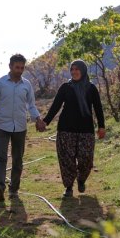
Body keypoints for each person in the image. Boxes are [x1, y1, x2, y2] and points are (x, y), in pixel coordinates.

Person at [42, 59, 105, 197]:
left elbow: (98, 108)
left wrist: (101, 126)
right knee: (67, 160)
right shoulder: (65, 87)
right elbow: (56, 106)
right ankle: (69, 187)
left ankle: (81, 180)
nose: (74, 72)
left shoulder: (91, 88)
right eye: (72, 69)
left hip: (86, 130)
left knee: (86, 159)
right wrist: (45, 122)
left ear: (83, 71)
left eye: (77, 69)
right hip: (66, 129)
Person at [0, 53, 46, 202]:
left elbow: (31, 105)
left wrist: (38, 119)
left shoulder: (26, 85)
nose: (19, 70)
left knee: (17, 159)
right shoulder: (0, 83)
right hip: (1, 126)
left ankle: (14, 189)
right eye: (17, 67)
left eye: (22, 68)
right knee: (1, 157)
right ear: (10, 67)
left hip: (20, 126)